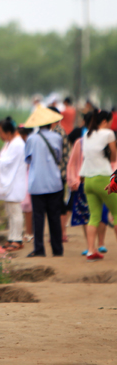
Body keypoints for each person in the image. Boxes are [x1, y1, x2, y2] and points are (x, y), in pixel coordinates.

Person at [23, 105, 65, 257]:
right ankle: (57, 250)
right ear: (50, 123)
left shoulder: (31, 139)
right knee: (54, 217)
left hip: (37, 184)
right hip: (54, 182)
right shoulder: (57, 137)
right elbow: (58, 158)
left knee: (38, 218)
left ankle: (39, 249)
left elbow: (28, 159)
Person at [0, 117, 27, 251]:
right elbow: (4, 159)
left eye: (0, 133)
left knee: (15, 211)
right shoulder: (9, 143)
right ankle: (12, 237)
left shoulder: (18, 144)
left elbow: (8, 163)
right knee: (10, 212)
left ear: (8, 132)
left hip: (15, 182)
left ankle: (18, 239)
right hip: (10, 182)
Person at [79, 110, 117, 261]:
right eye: (110, 121)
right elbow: (114, 153)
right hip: (103, 177)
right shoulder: (108, 134)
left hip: (88, 179)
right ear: (104, 122)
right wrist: (112, 159)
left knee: (94, 216)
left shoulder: (86, 134)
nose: (111, 124)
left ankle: (90, 251)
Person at [48, 106, 71, 242]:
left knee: (57, 204)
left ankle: (61, 233)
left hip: (58, 172)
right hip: (60, 172)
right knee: (58, 203)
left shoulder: (57, 133)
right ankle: (61, 233)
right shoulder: (59, 131)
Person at [19, 126, 34, 242]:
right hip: (29, 176)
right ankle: (29, 231)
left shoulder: (26, 145)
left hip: (28, 176)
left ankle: (29, 232)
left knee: (27, 206)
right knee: (28, 207)